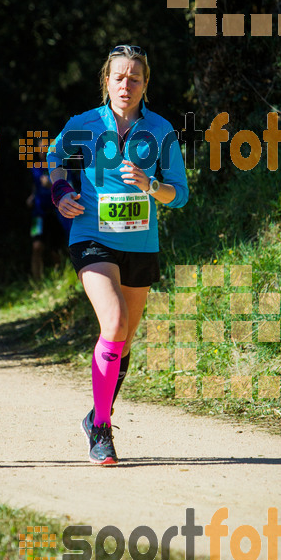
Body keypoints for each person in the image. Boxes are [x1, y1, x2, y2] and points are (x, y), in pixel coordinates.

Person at [49, 44, 188, 465]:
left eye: (135, 78)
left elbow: (178, 195)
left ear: (146, 84)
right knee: (114, 321)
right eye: (119, 77)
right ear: (105, 80)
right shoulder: (84, 124)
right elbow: (55, 159)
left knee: (122, 338)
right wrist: (60, 192)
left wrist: (149, 185)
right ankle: (103, 431)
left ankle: (97, 414)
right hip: (92, 235)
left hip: (141, 244)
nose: (126, 85)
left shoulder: (161, 130)